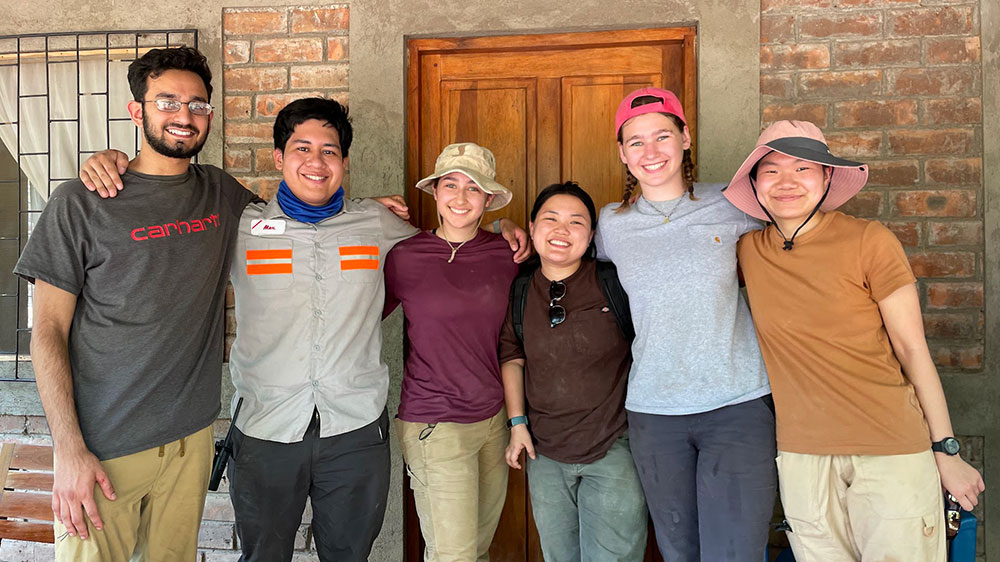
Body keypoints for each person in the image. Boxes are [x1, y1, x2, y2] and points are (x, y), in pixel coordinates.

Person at [79, 108, 529, 561]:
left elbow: (447, 242)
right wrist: (121, 166)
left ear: (345, 163)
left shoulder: (377, 225)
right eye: (302, 149)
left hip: (354, 428)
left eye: (329, 151)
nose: (317, 162)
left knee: (349, 554)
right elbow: (169, 202)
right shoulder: (239, 226)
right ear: (278, 158)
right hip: (265, 430)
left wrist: (501, 227)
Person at [14, 46, 255, 562]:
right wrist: (69, 450)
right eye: (166, 101)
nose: (183, 116)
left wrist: (367, 211)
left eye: (197, 104)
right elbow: (48, 332)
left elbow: (299, 221)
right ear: (136, 110)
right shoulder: (80, 202)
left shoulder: (221, 193)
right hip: (104, 449)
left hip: (190, 440)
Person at [725, 119, 985, 562]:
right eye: (771, 170)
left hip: (890, 447)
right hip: (802, 454)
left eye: (803, 168)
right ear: (755, 183)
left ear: (827, 178)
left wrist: (946, 450)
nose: (786, 181)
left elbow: (912, 349)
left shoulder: (869, 241)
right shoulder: (748, 250)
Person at [595, 87, 776, 561]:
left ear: (686, 138)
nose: (650, 152)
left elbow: (799, 233)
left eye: (662, 136)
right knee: (680, 552)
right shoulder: (611, 223)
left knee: (736, 552)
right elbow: (559, 253)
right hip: (655, 412)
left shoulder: (734, 203)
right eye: (636, 142)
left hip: (736, 405)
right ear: (622, 154)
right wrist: (504, 231)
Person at [383, 142, 519, 562]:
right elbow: (357, 317)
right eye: (451, 185)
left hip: (494, 422)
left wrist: (509, 227)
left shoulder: (508, 254)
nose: (461, 197)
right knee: (452, 556)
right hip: (435, 424)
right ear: (436, 192)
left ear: (489, 200)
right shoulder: (405, 256)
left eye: (474, 188)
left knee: (475, 551)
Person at [499, 181, 647, 562]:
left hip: (613, 449)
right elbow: (513, 356)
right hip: (544, 454)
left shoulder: (614, 283)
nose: (561, 230)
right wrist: (517, 423)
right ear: (531, 229)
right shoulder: (520, 290)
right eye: (550, 219)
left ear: (592, 235)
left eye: (575, 221)